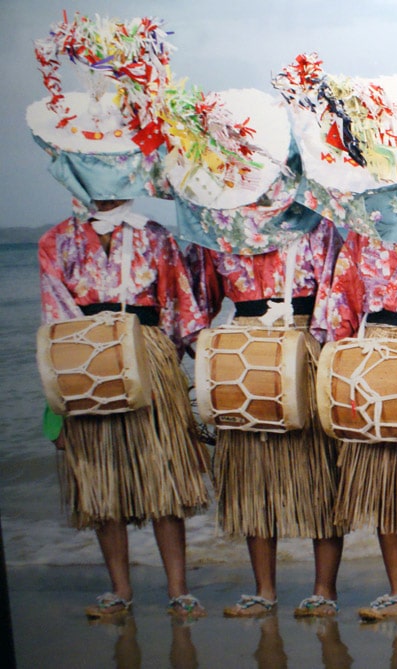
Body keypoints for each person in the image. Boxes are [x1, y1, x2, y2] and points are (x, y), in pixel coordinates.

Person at [273, 59, 397, 621]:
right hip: (376, 353)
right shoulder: (362, 225)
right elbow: (341, 306)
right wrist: (328, 367)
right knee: (388, 479)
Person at [30, 13, 211, 620]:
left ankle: (178, 588)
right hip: (85, 358)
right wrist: (63, 379)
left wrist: (200, 369)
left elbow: (182, 308)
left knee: (163, 483)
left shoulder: (155, 236)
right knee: (103, 485)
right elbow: (54, 316)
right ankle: (121, 590)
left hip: (149, 357)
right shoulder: (56, 241)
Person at [171, 87, 345, 618]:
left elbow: (337, 296)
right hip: (240, 355)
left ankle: (324, 591)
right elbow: (193, 306)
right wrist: (204, 363)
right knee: (250, 481)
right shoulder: (214, 230)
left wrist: (318, 354)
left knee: (321, 476)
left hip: (305, 348)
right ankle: (263, 591)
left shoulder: (317, 222)